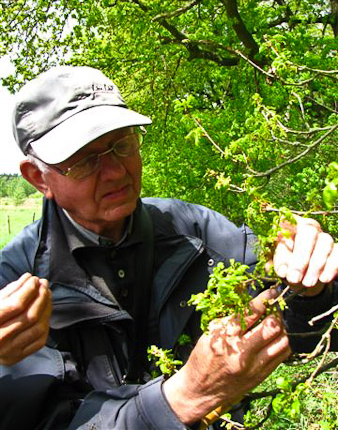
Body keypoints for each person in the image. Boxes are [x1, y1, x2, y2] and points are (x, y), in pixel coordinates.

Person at [0, 66, 337, 430]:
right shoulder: (14, 290)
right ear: (38, 178)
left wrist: (311, 284)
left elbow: (309, 331)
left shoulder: (197, 233)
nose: (114, 171)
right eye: (84, 160)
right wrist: (184, 397)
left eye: (122, 144)